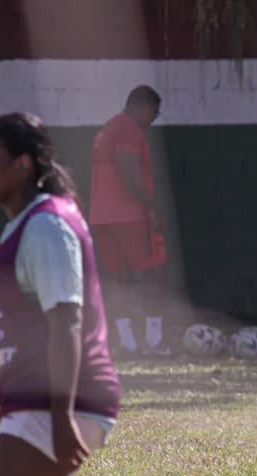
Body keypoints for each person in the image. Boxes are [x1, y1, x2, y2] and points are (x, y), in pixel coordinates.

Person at [0, 112, 121, 476]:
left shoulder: (47, 226)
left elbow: (67, 325)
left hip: (59, 394)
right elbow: (26, 338)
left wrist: (59, 415)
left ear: (24, 164)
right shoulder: (27, 222)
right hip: (36, 391)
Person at [89, 85, 171, 357]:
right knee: (154, 275)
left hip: (101, 216)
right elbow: (127, 165)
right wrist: (150, 205)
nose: (152, 121)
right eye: (154, 114)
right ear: (145, 107)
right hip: (129, 216)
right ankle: (154, 342)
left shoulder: (108, 127)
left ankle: (126, 344)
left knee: (119, 279)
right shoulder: (128, 129)